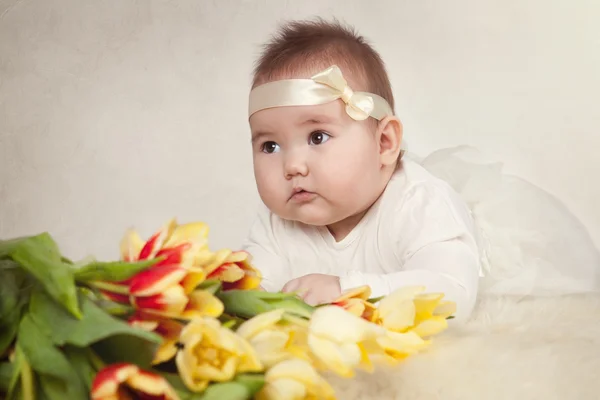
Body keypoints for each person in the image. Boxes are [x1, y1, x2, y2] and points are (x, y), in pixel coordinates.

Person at [241, 18, 600, 321]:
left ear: (384, 143)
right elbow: (250, 287)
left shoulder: (419, 203)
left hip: (489, 278)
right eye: (269, 145)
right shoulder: (279, 222)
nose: (292, 165)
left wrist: (345, 289)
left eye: (318, 136)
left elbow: (451, 293)